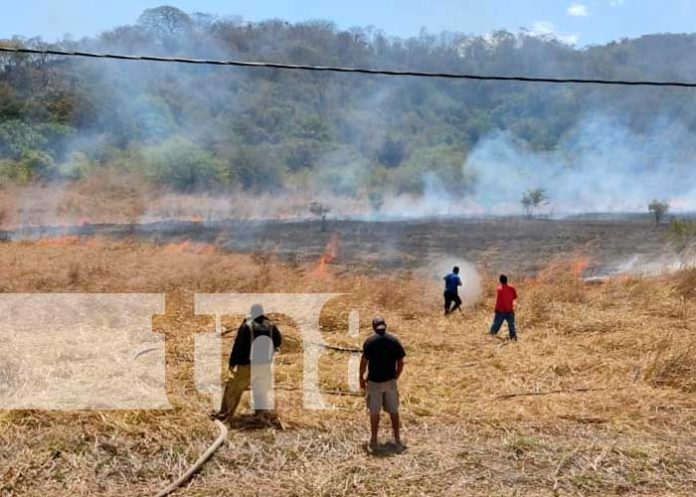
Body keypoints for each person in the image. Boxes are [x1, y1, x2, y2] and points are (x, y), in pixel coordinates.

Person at [212, 304, 282, 422]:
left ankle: (225, 413)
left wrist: (232, 362)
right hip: (264, 364)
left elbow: (238, 346)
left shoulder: (247, 326)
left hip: (247, 364)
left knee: (233, 388)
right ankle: (260, 415)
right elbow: (278, 341)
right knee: (260, 389)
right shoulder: (271, 325)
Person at [359, 316, 406, 449]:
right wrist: (396, 376)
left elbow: (363, 363)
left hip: (374, 383)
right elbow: (401, 362)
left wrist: (361, 379)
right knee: (393, 411)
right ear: (385, 326)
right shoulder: (394, 340)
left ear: (374, 327)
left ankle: (374, 440)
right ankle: (397, 439)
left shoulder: (369, 341)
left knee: (375, 412)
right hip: (390, 382)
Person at [489, 274, 518, 341]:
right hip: (510, 310)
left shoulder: (499, 289)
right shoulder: (512, 288)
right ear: (506, 280)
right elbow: (515, 296)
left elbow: (498, 300)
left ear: (500, 281)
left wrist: (496, 309)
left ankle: (491, 335)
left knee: (496, 324)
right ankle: (513, 338)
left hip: (501, 310)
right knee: (511, 326)